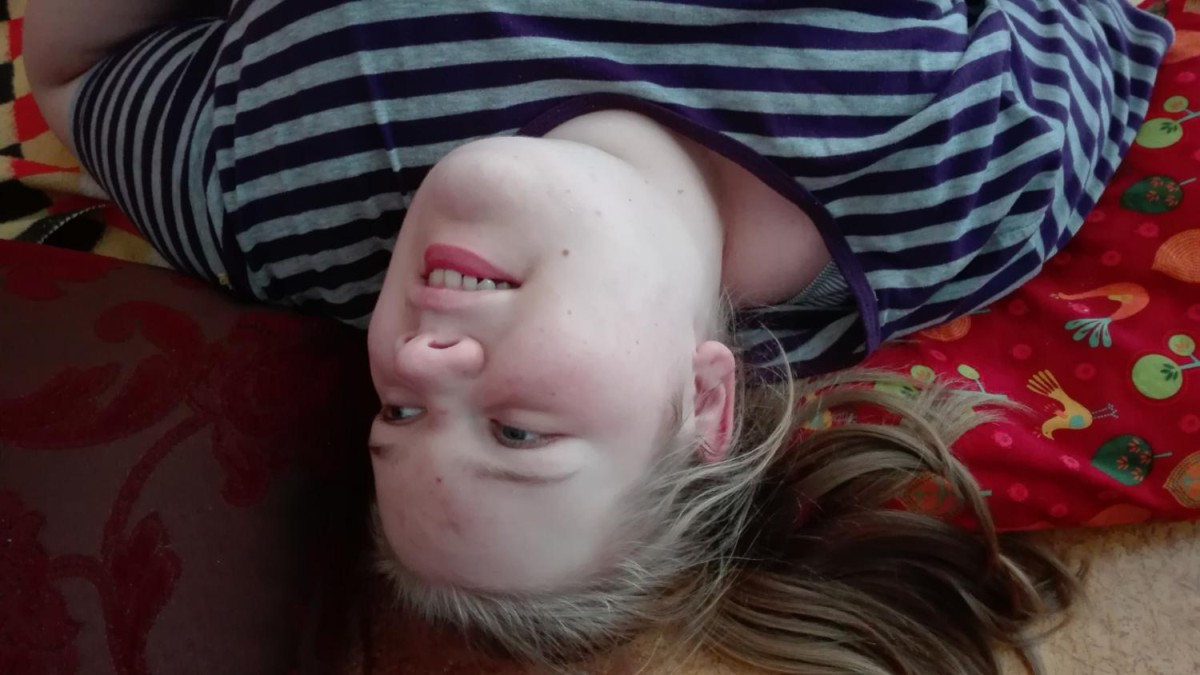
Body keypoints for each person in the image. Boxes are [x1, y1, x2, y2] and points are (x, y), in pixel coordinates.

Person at [26, 1, 1172, 673]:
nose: (416, 358)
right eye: (516, 433)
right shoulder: (953, 171)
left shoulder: (278, 200)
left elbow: (73, 76)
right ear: (705, 401)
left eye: (399, 415)